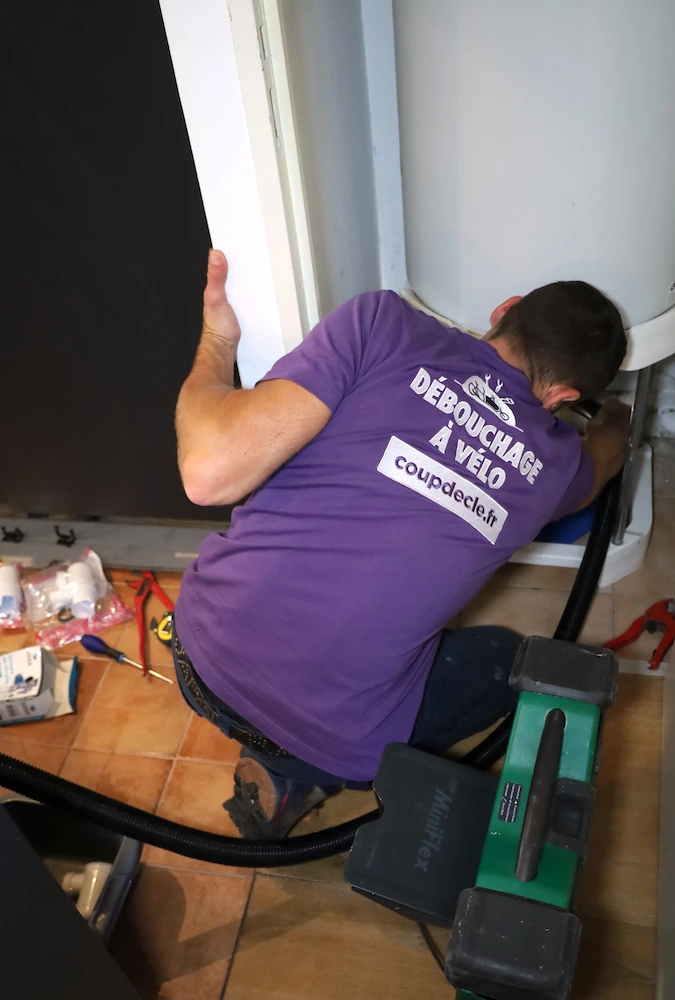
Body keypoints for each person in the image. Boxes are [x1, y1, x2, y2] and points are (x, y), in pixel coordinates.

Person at [173, 250, 629, 839]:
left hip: (200, 656)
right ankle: (297, 772)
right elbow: (607, 457)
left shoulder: (380, 323)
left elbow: (207, 473)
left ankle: (282, 762)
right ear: (563, 396)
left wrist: (216, 340)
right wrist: (615, 415)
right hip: (335, 741)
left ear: (505, 310)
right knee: (501, 660)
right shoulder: (556, 466)